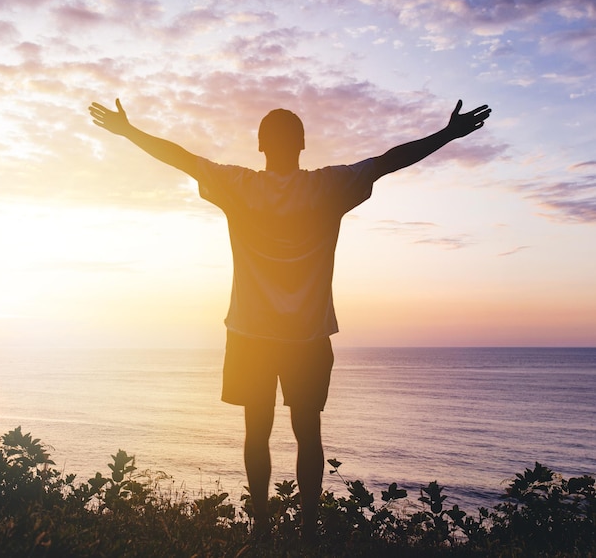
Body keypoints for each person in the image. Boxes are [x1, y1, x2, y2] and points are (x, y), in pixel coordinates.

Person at [88, 97, 491, 539]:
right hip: (307, 335)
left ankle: (261, 526)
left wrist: (130, 132)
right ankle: (310, 529)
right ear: (302, 145)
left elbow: (182, 158)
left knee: (256, 431)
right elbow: (389, 161)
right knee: (308, 433)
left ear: (260, 145)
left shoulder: (237, 184)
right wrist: (447, 135)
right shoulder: (329, 186)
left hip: (249, 334)